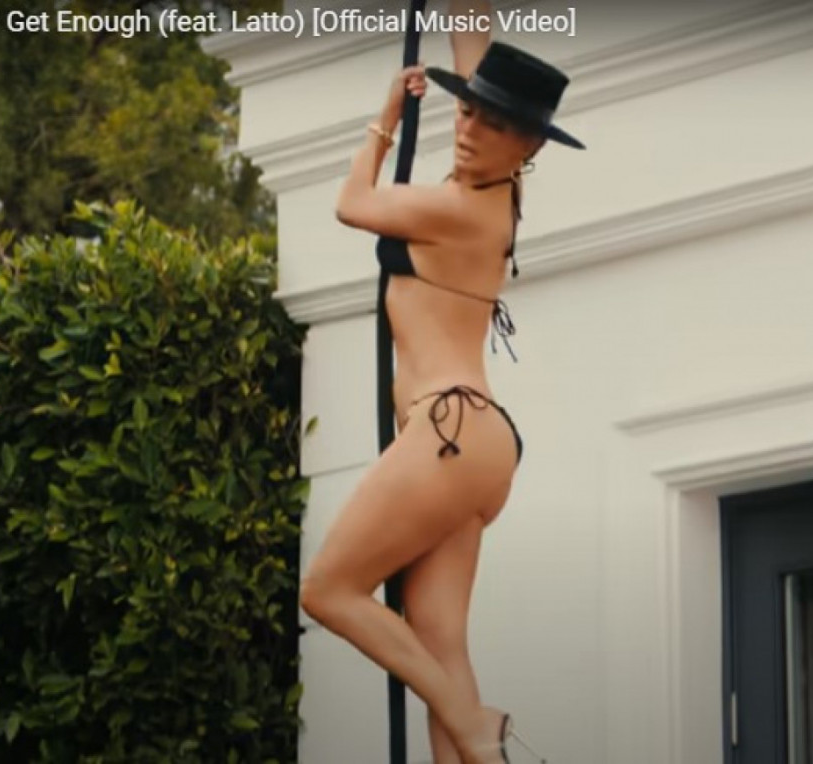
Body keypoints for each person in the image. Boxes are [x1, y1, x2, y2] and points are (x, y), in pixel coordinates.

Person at [299, 1, 584, 761]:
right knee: (437, 643)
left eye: (495, 125)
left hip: (447, 433)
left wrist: (386, 117)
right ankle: (469, 741)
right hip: (475, 444)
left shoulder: (455, 209)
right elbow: (473, 42)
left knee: (328, 589)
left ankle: (472, 722)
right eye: (468, 111)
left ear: (528, 147)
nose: (469, 129)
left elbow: (353, 204)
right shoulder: (502, 200)